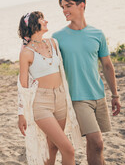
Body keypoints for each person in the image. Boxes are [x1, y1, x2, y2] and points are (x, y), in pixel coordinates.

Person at [52, 0, 121, 165]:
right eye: (62, 7)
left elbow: (107, 66)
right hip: (77, 98)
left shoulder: (97, 34)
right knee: (97, 142)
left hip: (99, 96)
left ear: (81, 5)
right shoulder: (57, 38)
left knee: (95, 145)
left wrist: (115, 95)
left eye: (68, 6)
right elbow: (51, 69)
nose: (64, 10)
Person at [17, 11, 83, 165]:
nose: (46, 21)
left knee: (52, 146)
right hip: (41, 103)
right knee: (68, 150)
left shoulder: (53, 43)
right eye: (42, 19)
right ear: (33, 25)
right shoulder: (26, 53)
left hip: (60, 98)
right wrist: (21, 115)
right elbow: (23, 86)